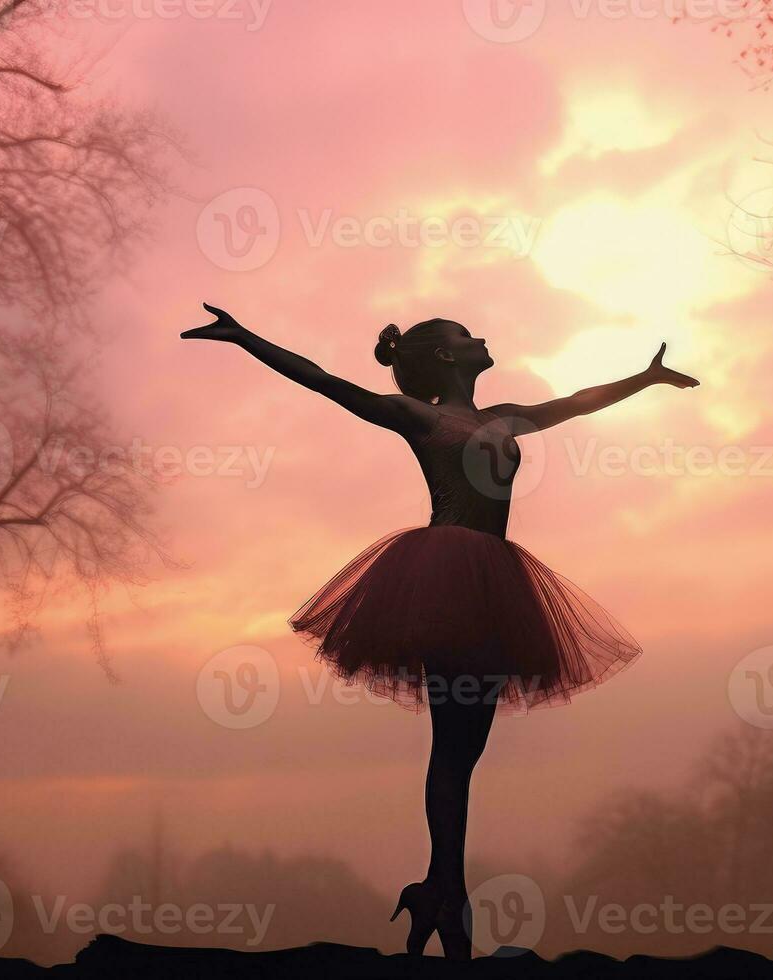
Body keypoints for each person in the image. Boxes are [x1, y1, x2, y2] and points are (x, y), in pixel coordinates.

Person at [181, 304, 699, 958]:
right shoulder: (419, 417)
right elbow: (324, 381)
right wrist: (245, 336)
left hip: (494, 585)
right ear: (449, 358)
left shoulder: (503, 415)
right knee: (451, 748)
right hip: (443, 579)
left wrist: (644, 379)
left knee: (463, 754)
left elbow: (574, 401)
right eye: (466, 335)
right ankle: (446, 895)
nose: (482, 335)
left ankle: (438, 888)